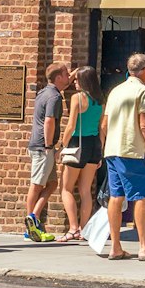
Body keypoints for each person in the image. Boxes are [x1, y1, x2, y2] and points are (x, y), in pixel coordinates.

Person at [102, 52, 145, 262]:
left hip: (112, 150)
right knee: (142, 197)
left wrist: (106, 146)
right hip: (132, 150)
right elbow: (144, 126)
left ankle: (115, 247)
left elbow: (104, 125)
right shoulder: (144, 91)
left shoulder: (115, 91)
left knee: (116, 197)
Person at [25, 62, 70, 241]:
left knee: (51, 184)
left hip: (40, 146)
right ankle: (31, 228)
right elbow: (49, 121)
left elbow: (62, 79)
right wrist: (49, 145)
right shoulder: (54, 97)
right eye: (66, 74)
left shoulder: (45, 92)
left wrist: (72, 73)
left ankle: (33, 218)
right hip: (43, 147)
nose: (69, 77)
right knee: (36, 185)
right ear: (58, 78)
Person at [58, 66, 103, 245]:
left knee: (66, 188)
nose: (74, 82)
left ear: (83, 81)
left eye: (77, 80)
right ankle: (84, 229)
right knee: (85, 191)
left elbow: (70, 125)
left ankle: (73, 228)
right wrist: (101, 151)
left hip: (77, 142)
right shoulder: (100, 100)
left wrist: (62, 145)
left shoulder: (78, 98)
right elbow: (101, 128)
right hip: (93, 144)